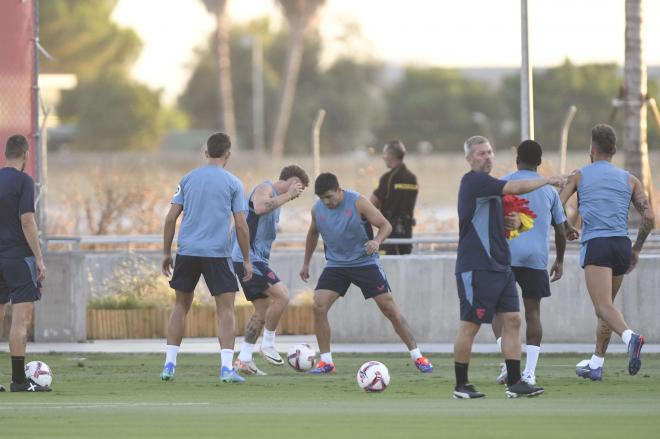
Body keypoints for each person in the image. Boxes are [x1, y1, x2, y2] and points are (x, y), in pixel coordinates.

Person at [453, 135, 562, 399]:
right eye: (480, 153)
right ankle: (461, 385)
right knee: (471, 325)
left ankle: (515, 383)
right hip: (477, 266)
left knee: (513, 320)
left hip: (501, 267)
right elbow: (513, 189)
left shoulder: (489, 188)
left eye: (489, 152)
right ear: (469, 159)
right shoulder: (474, 181)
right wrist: (548, 179)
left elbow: (501, 223)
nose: (487, 157)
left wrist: (514, 224)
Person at [299, 173, 433, 374]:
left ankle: (418, 356)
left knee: (389, 308)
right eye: (322, 198)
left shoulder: (358, 202)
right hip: (336, 265)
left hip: (365, 262)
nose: (326, 202)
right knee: (318, 306)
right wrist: (306, 263)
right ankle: (326, 362)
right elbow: (312, 233)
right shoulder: (317, 210)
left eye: (329, 196)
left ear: (339, 190)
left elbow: (385, 225)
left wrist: (376, 241)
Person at [559, 124, 654, 380]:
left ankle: (631, 338)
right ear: (613, 150)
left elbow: (556, 203)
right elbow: (649, 217)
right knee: (607, 309)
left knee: (603, 307)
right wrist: (636, 249)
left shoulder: (580, 175)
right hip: (621, 245)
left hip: (598, 244)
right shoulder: (630, 179)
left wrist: (567, 227)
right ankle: (596, 364)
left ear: (592, 148)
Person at [160, 132, 253, 384]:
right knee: (225, 310)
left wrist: (167, 252)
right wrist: (246, 259)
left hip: (187, 251)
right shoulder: (234, 182)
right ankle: (225, 369)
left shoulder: (188, 178)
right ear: (228, 155)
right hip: (217, 254)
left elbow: (170, 218)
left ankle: (169, 365)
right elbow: (242, 226)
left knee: (180, 306)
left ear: (205, 152)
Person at [490, 140, 572, 386]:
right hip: (535, 259)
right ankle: (529, 372)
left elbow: (489, 219)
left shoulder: (503, 184)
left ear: (516, 158)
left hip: (505, 257)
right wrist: (559, 259)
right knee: (533, 313)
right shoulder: (549, 190)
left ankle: (507, 365)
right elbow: (560, 230)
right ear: (539, 162)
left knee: (497, 311)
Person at [232, 165, 310, 376]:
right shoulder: (264, 188)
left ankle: (244, 359)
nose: (297, 194)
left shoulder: (278, 202)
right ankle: (268, 344)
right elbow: (259, 207)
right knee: (283, 296)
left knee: (263, 309)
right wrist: (288, 195)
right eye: (299, 188)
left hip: (256, 260)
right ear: (292, 180)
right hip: (247, 258)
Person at [0, 134, 49, 392]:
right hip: (19, 259)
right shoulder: (24, 181)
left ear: (6, 154)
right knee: (20, 320)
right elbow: (27, 220)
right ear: (26, 155)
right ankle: (19, 381)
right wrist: (39, 259)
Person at [370, 140, 418, 255]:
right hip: (407, 232)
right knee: (404, 266)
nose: (383, 157)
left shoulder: (388, 177)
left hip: (388, 232)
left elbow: (372, 204)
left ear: (391, 155)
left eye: (384, 154)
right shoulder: (412, 178)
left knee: (387, 267)